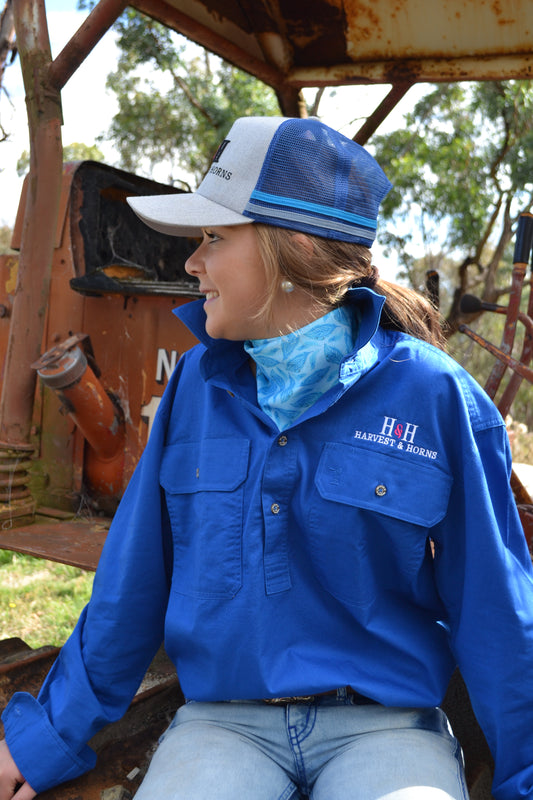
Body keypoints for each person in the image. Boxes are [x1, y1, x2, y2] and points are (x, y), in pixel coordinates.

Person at [1, 114, 533, 800]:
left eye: (214, 239)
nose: (192, 262)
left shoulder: (435, 397)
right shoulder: (196, 384)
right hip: (222, 727)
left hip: (387, 728)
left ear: (294, 250)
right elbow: (130, 587)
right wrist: (44, 738)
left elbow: (495, 605)